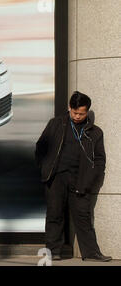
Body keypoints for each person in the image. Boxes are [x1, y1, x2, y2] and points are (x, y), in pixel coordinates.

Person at [35, 91, 112, 262]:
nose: (77, 116)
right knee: (55, 214)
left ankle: (91, 253)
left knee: (83, 216)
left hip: (81, 179)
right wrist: (44, 168)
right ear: (69, 108)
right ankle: (53, 251)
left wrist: (93, 176)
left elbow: (100, 159)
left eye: (81, 113)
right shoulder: (56, 124)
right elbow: (41, 147)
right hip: (56, 177)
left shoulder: (95, 132)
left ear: (87, 112)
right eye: (74, 112)